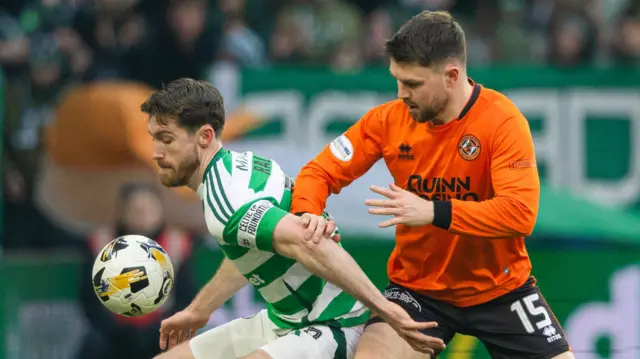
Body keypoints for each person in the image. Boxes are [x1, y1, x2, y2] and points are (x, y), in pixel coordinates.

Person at [291, 10, 574, 359]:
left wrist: (432, 211)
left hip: (501, 290)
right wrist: (307, 213)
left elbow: (520, 214)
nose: (401, 93)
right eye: (397, 80)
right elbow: (318, 172)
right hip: (418, 293)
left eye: (413, 84)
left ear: (452, 76)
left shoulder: (503, 122)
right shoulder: (387, 120)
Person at [141, 78, 440, 359]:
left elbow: (309, 244)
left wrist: (386, 311)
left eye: (166, 139)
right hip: (282, 319)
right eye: (154, 138)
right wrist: (200, 309)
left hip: (331, 322)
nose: (156, 152)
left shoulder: (226, 202)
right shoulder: (242, 165)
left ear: (205, 136)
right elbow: (252, 249)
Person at [77, 183, 197, 359]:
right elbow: (88, 298)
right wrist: (113, 329)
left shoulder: (176, 244)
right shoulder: (101, 243)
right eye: (136, 210)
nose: (143, 215)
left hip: (162, 329)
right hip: (112, 330)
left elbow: (187, 298)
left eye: (149, 209)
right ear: (123, 212)